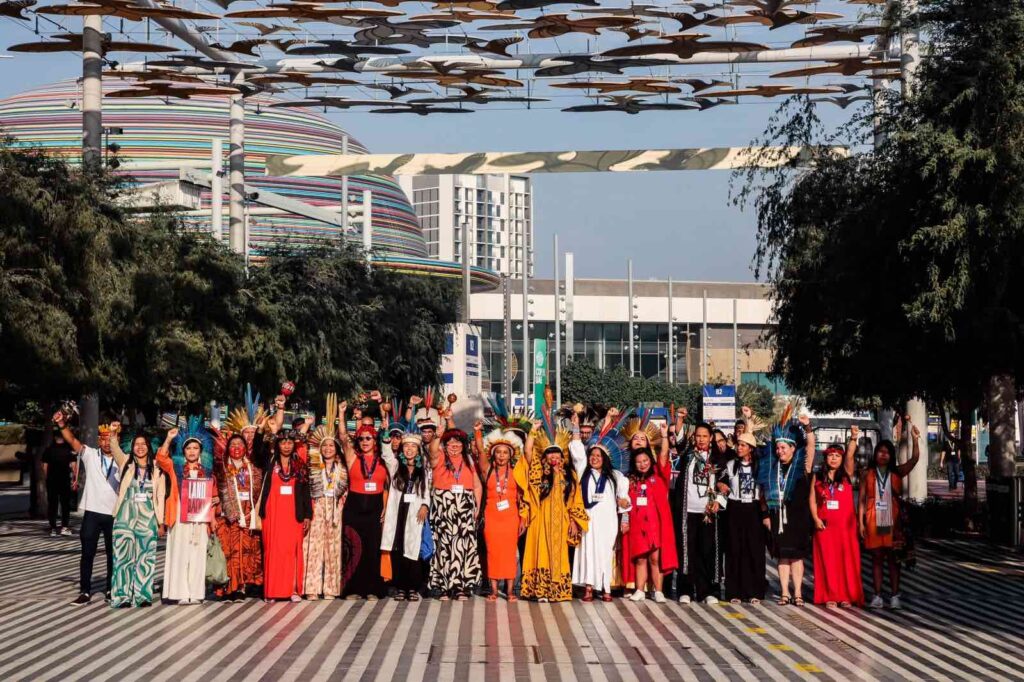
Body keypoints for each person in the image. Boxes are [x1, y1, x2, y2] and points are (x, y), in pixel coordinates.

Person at [55, 411, 124, 606]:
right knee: (87, 553)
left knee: (113, 554)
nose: (105, 442)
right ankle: (85, 591)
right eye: (102, 439)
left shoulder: (122, 459)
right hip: (92, 512)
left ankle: (111, 589)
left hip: (114, 513)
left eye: (109, 438)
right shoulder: (91, 455)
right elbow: (72, 441)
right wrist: (61, 423)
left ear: (117, 438)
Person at [517, 415, 589, 602]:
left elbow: (576, 499)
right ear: (544, 456)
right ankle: (540, 591)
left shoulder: (570, 474)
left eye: (557, 453)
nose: (554, 456)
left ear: (562, 455)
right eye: (550, 453)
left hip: (561, 521)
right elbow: (527, 452)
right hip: (540, 520)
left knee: (560, 555)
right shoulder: (538, 471)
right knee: (540, 553)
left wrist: (574, 520)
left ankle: (557, 591)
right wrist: (532, 432)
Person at [860, 417, 921, 610]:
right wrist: (860, 523)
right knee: (876, 560)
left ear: (891, 455)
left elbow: (914, 460)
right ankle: (877, 595)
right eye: (881, 452)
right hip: (873, 521)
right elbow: (861, 500)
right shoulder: (867, 474)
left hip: (894, 523)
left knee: (895, 561)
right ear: (875, 454)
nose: (884, 455)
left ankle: (895, 595)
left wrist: (915, 440)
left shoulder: (897, 472)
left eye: (887, 452)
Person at [109, 424, 171, 608]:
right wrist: (113, 433)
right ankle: (122, 596)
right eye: (137, 444)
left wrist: (161, 522)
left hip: (147, 519)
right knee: (122, 558)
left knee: (146, 558)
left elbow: (160, 497)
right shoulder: (125, 462)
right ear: (132, 446)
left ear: (148, 447)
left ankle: (143, 596)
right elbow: (114, 448)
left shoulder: (156, 469)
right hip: (124, 518)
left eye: (143, 444)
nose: (140, 447)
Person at [571, 412, 630, 602]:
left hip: (608, 521)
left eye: (598, 455)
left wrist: (625, 511)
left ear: (605, 458)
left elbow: (624, 499)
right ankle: (588, 588)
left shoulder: (615, 476)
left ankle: (606, 588)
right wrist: (575, 428)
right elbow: (577, 450)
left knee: (605, 552)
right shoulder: (583, 472)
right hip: (588, 520)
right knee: (588, 552)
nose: (594, 458)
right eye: (593, 455)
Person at [427, 402, 483, 601]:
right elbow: (432, 451)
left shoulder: (468, 459)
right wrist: (437, 435)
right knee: (443, 545)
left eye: (458, 443)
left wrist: (476, 508)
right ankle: (442, 586)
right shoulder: (440, 456)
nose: (455, 446)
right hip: (444, 505)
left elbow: (477, 485)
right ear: (445, 444)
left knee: (464, 546)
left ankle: (460, 586)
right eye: (451, 443)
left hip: (465, 506)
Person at [759, 409, 815, 606]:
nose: (779, 451)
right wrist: (765, 515)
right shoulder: (772, 468)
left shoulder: (802, 466)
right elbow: (763, 492)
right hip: (777, 517)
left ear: (792, 448)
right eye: (777, 448)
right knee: (782, 556)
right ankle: (784, 592)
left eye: (783, 448)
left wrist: (808, 428)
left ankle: (798, 592)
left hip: (798, 518)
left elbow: (810, 448)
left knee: (797, 557)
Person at [621, 418, 677, 604]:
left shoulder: (658, 473)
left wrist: (664, 437)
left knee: (655, 559)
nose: (642, 464)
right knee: (640, 559)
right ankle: (639, 589)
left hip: (655, 524)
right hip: (637, 525)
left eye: (645, 461)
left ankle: (658, 591)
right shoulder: (630, 479)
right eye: (638, 462)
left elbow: (663, 456)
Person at [673, 422, 728, 605]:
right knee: (687, 551)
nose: (701, 439)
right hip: (688, 512)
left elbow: (724, 482)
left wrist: (718, 501)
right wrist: (679, 421)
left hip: (708, 513)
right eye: (698, 436)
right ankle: (685, 589)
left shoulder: (718, 458)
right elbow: (679, 444)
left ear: (711, 438)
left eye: (705, 436)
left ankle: (707, 591)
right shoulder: (688, 456)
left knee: (708, 550)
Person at [256, 426, 313, 602]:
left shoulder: (299, 464)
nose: (287, 446)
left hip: (293, 514)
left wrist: (307, 515)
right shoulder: (270, 461)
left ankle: (293, 590)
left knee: (292, 552)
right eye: (283, 442)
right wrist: (259, 431)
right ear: (278, 444)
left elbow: (305, 491)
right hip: (273, 514)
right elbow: (257, 452)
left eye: (289, 442)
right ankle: (272, 591)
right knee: (273, 551)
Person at [162, 419, 215, 604]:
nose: (192, 451)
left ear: (200, 450)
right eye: (188, 448)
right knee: (180, 553)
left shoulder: (207, 470)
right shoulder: (175, 466)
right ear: (183, 451)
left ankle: (196, 593)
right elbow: (161, 459)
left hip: (200, 518)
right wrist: (168, 439)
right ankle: (181, 592)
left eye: (195, 448)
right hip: (179, 516)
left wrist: (214, 510)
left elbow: (213, 495)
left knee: (198, 554)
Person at [339, 401, 389, 599]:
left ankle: (372, 589)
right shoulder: (353, 457)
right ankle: (353, 588)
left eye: (369, 438)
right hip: (355, 506)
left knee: (372, 549)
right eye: (361, 439)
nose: (365, 441)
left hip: (375, 505)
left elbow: (389, 487)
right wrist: (341, 414)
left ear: (375, 440)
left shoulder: (384, 459)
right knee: (353, 547)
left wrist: (385, 507)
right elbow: (343, 438)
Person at [810, 431, 863, 608]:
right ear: (825, 458)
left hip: (845, 528)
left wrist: (853, 438)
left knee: (846, 561)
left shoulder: (846, 474)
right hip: (825, 528)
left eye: (837, 456)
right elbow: (811, 498)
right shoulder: (818, 477)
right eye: (830, 456)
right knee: (828, 561)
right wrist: (815, 518)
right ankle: (830, 595)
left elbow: (850, 454)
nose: (834, 459)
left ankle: (846, 595)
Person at [304, 396, 349, 600]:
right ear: (319, 449)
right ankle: (311, 587)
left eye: (331, 446)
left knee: (333, 548)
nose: (328, 449)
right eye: (325, 446)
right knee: (312, 547)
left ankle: (331, 588)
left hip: (335, 508)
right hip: (317, 506)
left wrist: (341, 415)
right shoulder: (312, 467)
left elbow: (346, 489)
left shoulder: (342, 468)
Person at [213, 432, 263, 601]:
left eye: (239, 445)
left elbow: (258, 491)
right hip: (229, 516)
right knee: (230, 551)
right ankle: (229, 588)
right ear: (227, 448)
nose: (236, 448)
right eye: (232, 445)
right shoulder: (221, 468)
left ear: (245, 448)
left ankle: (242, 587)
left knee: (246, 552)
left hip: (248, 513)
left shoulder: (253, 468)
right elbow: (216, 490)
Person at [477, 425, 525, 601]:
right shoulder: (487, 470)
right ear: (494, 454)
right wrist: (477, 432)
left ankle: (511, 591)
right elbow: (481, 452)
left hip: (511, 518)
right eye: (499, 452)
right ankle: (494, 590)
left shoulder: (517, 473)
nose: (502, 456)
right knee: (493, 553)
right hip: (491, 518)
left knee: (510, 554)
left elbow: (522, 499)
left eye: (505, 452)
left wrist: (523, 519)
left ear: (511, 455)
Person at [381, 431, 431, 601]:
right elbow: (386, 454)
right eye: (406, 446)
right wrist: (386, 437)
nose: (409, 450)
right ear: (402, 450)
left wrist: (425, 505)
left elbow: (427, 490)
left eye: (413, 447)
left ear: (418, 450)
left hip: (414, 513)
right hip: (398, 513)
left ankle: (412, 587)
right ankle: (400, 587)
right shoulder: (395, 466)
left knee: (413, 550)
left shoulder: (422, 469)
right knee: (399, 550)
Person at [720, 432, 767, 604]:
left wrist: (765, 514)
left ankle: (754, 591)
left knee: (753, 550)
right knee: (734, 549)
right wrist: (720, 484)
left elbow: (763, 492)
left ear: (751, 449)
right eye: (738, 444)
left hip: (753, 509)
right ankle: (734, 591)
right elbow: (721, 482)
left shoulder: (760, 466)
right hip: (735, 508)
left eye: (743, 445)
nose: (739, 448)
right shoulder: (731, 464)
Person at [43, 430, 76, 537]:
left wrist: (46, 478)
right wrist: (74, 478)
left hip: (52, 481)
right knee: (65, 505)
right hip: (64, 480)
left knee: (52, 504)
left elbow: (45, 467)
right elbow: (74, 465)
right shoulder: (69, 449)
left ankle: (52, 528)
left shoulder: (48, 450)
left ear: (54, 438)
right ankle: (64, 527)